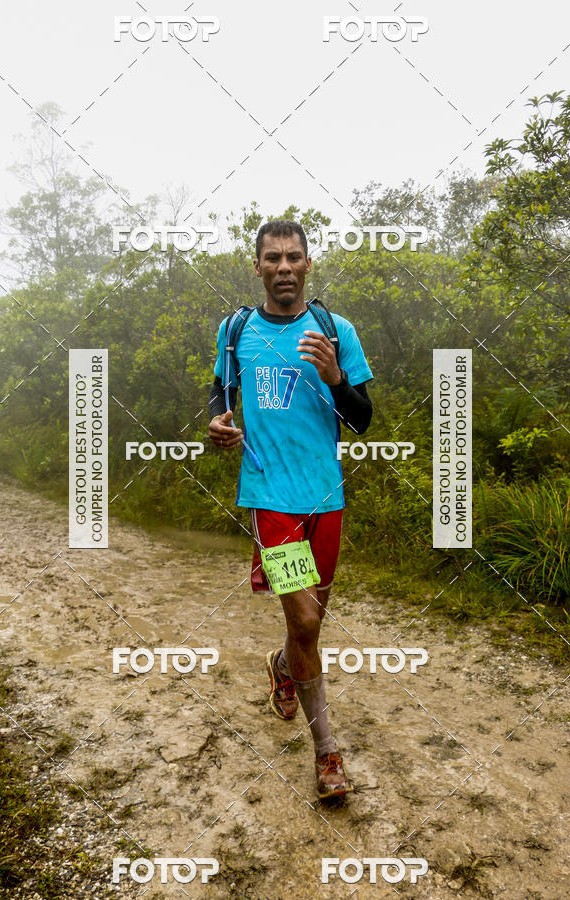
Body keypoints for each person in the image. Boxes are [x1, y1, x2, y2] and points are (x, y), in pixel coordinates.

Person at [208, 220, 373, 798]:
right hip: (270, 499)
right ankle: (327, 752)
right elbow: (220, 396)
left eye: (293, 257)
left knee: (310, 625)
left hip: (325, 498)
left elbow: (361, 419)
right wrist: (219, 425)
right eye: (272, 257)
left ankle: (283, 664)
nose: (283, 267)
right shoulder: (236, 332)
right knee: (304, 620)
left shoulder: (336, 332)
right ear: (257, 266)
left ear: (307, 264)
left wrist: (334, 376)